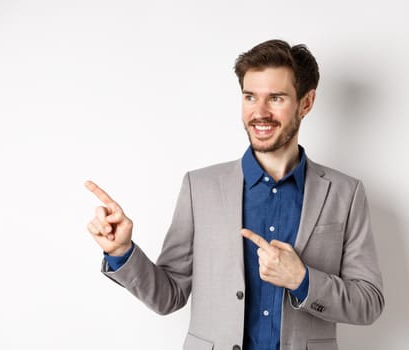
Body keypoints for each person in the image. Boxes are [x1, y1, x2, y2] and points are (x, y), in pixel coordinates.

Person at [85, 39, 384, 350]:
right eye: (250, 97)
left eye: (276, 98)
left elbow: (369, 302)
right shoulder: (198, 188)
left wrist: (302, 280)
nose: (260, 112)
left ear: (306, 103)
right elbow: (168, 296)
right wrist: (122, 251)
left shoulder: (345, 193)